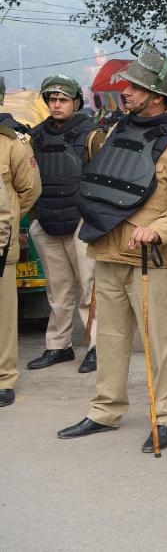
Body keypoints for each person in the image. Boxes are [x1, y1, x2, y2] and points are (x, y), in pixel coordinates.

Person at [56, 42, 167, 452]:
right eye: (128, 86)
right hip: (107, 250)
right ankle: (105, 410)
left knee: (161, 341)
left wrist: (158, 229)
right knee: (111, 338)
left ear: (157, 96)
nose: (126, 92)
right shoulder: (118, 128)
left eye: (136, 88)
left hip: (150, 259)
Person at [26, 75, 103, 373]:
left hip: (81, 222)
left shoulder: (93, 135)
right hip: (46, 220)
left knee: (89, 288)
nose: (56, 105)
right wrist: (34, 217)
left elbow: (102, 180)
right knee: (57, 291)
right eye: (52, 99)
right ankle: (58, 347)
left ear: (76, 102)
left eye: (63, 99)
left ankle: (96, 346)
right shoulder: (35, 136)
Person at [0, 114, 43, 407]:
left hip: (2, 242)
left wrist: (12, 218)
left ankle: (4, 379)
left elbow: (30, 190)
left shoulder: (13, 142)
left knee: (3, 317)